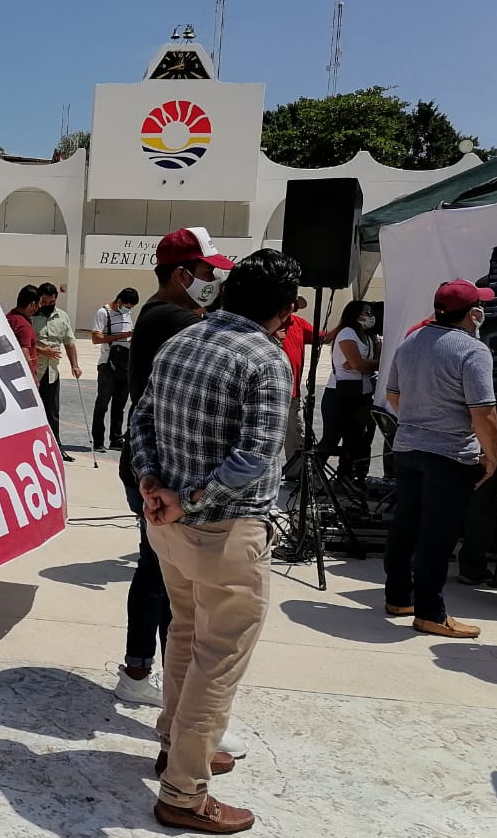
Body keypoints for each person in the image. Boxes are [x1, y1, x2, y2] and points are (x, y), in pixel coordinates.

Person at [129, 248, 298, 834]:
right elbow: (255, 456)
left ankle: (177, 743)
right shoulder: (266, 358)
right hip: (224, 530)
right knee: (218, 658)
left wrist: (154, 483)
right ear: (284, 309)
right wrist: (190, 498)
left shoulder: (182, 340)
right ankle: (184, 790)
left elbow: (141, 420)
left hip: (168, 525)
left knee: (184, 631)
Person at [113, 229, 245, 755]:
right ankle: (186, 710)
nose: (215, 282)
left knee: (156, 573)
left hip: (152, 467)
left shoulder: (157, 314)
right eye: (209, 273)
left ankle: (139, 672)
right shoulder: (179, 321)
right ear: (183, 274)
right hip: (164, 473)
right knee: (181, 591)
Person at [384, 279, 497, 639]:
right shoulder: (472, 350)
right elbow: (484, 412)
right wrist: (491, 456)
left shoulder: (411, 342)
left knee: (406, 525)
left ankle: (399, 598)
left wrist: (420, 420)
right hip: (449, 453)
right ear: (472, 313)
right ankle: (431, 612)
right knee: (438, 533)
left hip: (408, 447)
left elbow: (392, 394)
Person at [315, 300, 380, 483]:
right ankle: (314, 476)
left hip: (363, 394)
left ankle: (345, 477)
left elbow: (373, 362)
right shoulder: (347, 332)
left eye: (371, 312)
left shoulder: (368, 336)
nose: (370, 316)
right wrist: (366, 365)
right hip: (340, 394)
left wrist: (368, 365)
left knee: (355, 439)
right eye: (366, 312)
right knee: (332, 438)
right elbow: (357, 364)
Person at [31, 282, 82, 461]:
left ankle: (56, 447)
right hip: (32, 373)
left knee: (52, 411)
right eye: (44, 301)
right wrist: (42, 351)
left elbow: (69, 342)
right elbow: (23, 343)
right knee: (31, 411)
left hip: (52, 373)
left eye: (51, 301)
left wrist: (75, 365)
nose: (47, 305)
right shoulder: (31, 316)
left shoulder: (62, 317)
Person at [91, 288, 140, 451]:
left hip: (124, 365)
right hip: (107, 365)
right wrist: (121, 336)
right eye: (127, 306)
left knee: (119, 406)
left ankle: (116, 439)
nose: (128, 310)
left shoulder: (126, 314)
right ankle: (98, 441)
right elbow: (96, 338)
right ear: (119, 301)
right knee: (102, 404)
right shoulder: (103, 313)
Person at [276, 296, 315, 477]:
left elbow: (321, 337)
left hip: (291, 392)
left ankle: (295, 472)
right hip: (272, 391)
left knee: (294, 432)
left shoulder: (298, 323)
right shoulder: (268, 324)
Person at [6, 284, 40, 381]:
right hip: (23, 378)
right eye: (39, 304)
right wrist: (33, 378)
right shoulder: (23, 325)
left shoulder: (10, 317)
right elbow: (25, 354)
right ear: (33, 304)